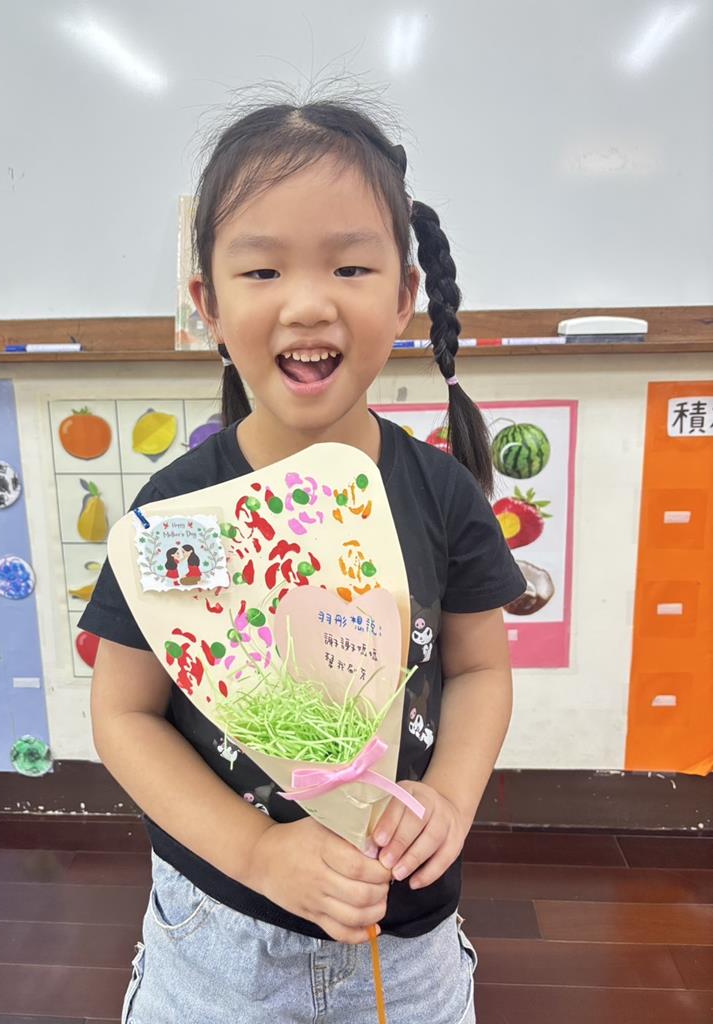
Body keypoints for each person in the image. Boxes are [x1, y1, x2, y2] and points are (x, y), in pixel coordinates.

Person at [81, 96, 526, 1024]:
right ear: (208, 303)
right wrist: (256, 852)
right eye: (262, 268)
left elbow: (481, 667)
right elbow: (125, 714)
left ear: (403, 296)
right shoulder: (185, 515)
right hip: (218, 941)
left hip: (405, 937)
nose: (309, 301)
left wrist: (449, 797)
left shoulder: (441, 494)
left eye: (351, 265)